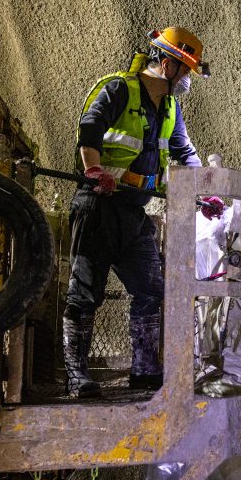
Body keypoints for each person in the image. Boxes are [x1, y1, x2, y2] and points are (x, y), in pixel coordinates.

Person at [63, 27, 222, 398]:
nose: (186, 81)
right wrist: (93, 170)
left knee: (151, 288)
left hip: (134, 212)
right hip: (97, 205)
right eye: (184, 72)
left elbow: (186, 153)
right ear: (166, 64)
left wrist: (208, 192)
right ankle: (76, 376)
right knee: (85, 293)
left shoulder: (170, 109)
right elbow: (90, 128)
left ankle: (145, 371)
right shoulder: (119, 89)